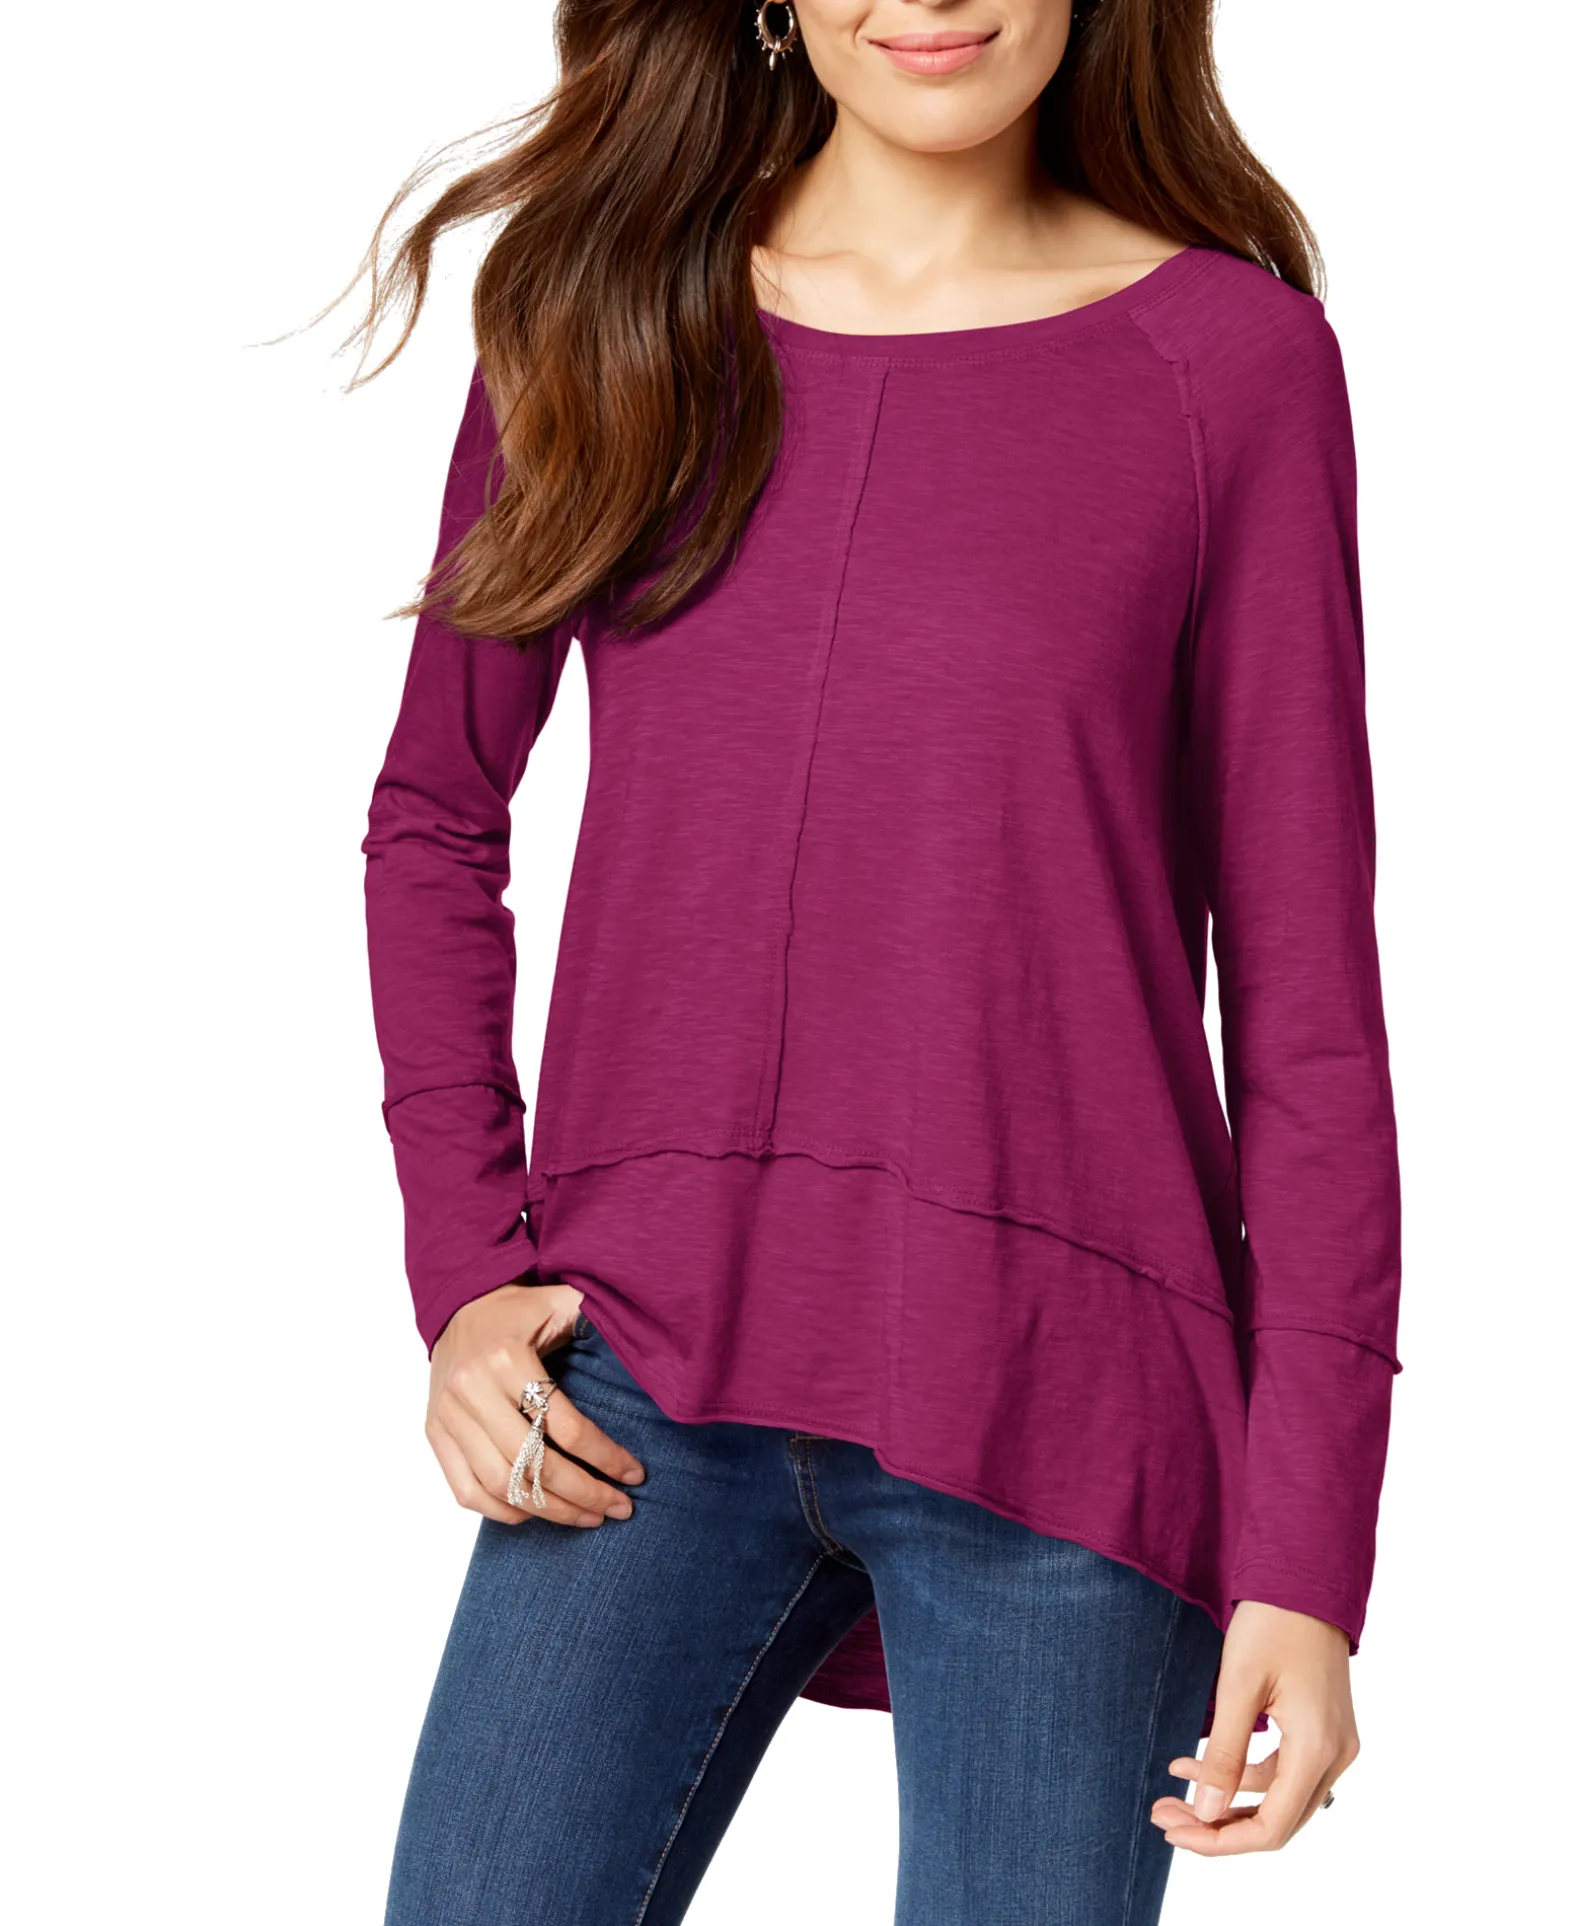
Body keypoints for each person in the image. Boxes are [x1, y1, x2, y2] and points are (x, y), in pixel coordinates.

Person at [356, 4, 1402, 1921]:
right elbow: (434, 811)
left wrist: (1307, 1552)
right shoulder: (603, 312)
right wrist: (466, 1274)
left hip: (1069, 1400)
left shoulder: (1227, 363)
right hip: (643, 1366)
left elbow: (1308, 996)